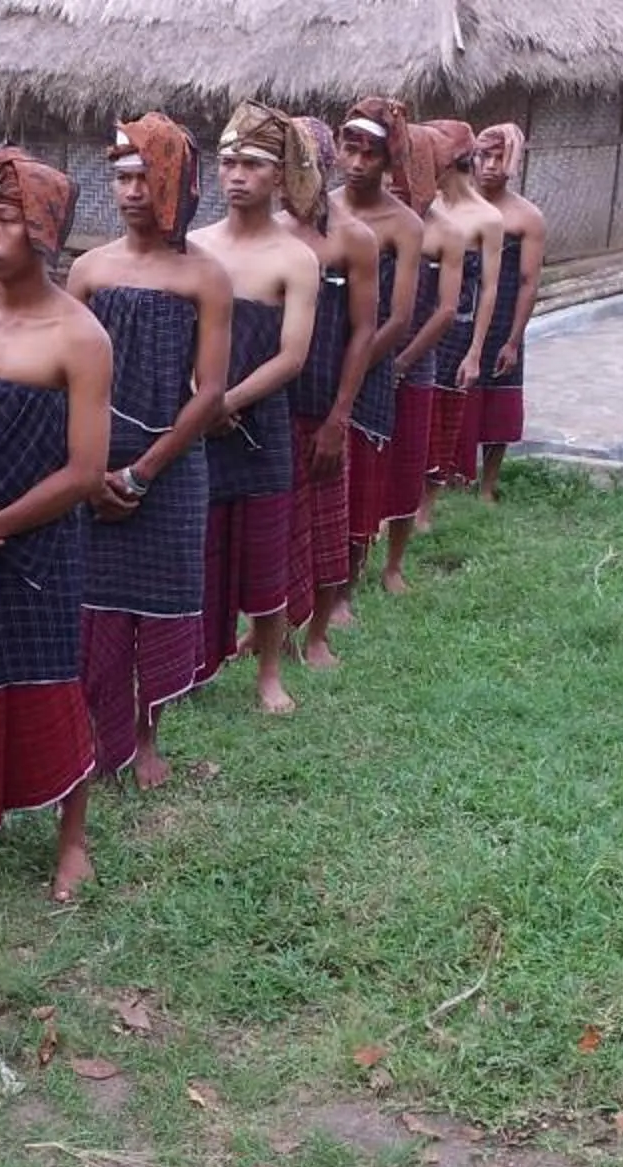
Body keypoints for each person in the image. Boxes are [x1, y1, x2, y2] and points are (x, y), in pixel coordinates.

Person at [0, 147, 114, 903]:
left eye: (5, 220)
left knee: (51, 682)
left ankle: (72, 837)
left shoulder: (80, 337)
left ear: (42, 231)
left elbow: (84, 470)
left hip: (41, 545)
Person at [69, 113, 230, 791]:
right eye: (122, 178)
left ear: (177, 184)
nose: (132, 192)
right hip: (93, 463)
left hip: (171, 466)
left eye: (146, 178)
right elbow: (66, 376)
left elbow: (211, 391)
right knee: (96, 608)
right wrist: (90, 474)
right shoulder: (89, 271)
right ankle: (93, 736)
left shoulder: (205, 277)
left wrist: (142, 473)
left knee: (159, 603)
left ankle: (145, 736)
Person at [188, 102, 319, 715]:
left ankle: (269, 671)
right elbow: (182, 333)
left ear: (279, 175)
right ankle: (195, 665)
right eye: (228, 163)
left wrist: (229, 401)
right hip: (195, 421)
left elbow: (291, 355)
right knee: (200, 546)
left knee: (265, 553)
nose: (237, 176)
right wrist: (199, 399)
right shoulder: (194, 248)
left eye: (253, 165)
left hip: (261, 424)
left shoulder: (296, 258)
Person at [327, 97, 426, 632]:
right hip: (315, 358)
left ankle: (343, 588)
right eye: (351, 150)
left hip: (370, 362)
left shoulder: (403, 224)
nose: (358, 163)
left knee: (360, 471)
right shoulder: (322, 209)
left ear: (388, 161)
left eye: (371, 154)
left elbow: (401, 315)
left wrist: (356, 365)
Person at [282, 114, 378, 672]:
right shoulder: (268, 233)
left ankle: (317, 634)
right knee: (276, 526)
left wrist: (340, 416)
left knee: (325, 524)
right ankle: (271, 631)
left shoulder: (353, 239)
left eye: (302, 165)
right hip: (271, 408)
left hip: (323, 402)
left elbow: (363, 331)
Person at [378, 123, 463, 596]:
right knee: (363, 463)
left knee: (407, 464)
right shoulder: (368, 222)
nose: (398, 178)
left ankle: (393, 565)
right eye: (393, 166)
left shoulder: (446, 234)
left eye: (410, 167)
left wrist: (403, 362)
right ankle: (347, 570)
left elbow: (446, 310)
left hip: (416, 362)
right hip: (364, 359)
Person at [423, 118, 505, 521]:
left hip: (457, 327)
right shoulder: (427, 207)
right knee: (414, 411)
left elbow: (489, 288)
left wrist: (475, 351)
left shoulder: (487, 218)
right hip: (420, 323)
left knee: (443, 415)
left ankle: (425, 507)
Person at [472, 123, 547, 501]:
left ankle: (488, 485)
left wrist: (514, 340)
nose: (490, 166)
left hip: (502, 317)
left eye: (500, 159)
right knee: (455, 398)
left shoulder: (526, 217)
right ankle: (446, 475)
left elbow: (528, 282)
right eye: (484, 157)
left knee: (499, 400)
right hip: (461, 315)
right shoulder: (453, 208)